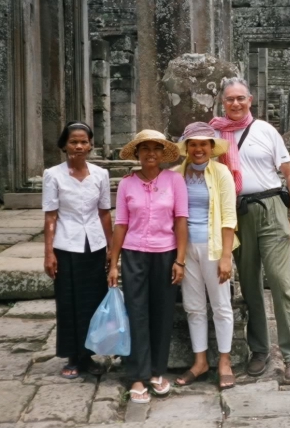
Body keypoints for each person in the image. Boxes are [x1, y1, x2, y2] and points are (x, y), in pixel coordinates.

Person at [210, 78, 290, 384]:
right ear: (222, 103)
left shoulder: (265, 131)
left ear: (250, 100)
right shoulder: (214, 134)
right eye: (229, 100)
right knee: (249, 284)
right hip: (236, 214)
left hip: (270, 209)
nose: (235, 104)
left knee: (280, 283)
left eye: (240, 98)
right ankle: (259, 351)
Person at [108, 130, 188, 404]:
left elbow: (180, 221)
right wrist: (114, 263)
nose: (150, 153)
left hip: (166, 254)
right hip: (133, 255)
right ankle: (138, 376)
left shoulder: (174, 181)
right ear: (137, 153)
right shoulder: (127, 184)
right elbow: (121, 223)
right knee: (137, 313)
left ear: (162, 154)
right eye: (145, 149)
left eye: (156, 148)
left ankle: (156, 371)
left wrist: (180, 259)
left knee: (162, 314)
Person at [42, 121, 112, 379]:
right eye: (74, 142)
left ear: (91, 145)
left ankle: (89, 355)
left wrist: (111, 249)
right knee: (69, 301)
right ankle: (73, 356)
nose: (79, 146)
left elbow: (104, 213)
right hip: (66, 245)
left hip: (94, 245)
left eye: (84, 141)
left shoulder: (101, 175)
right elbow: (50, 217)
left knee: (93, 301)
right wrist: (49, 253)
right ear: (64, 145)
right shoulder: (53, 174)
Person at [172, 122, 239, 390]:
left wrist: (225, 256)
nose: (198, 149)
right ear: (186, 147)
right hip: (186, 250)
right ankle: (200, 361)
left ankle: (224, 360)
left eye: (203, 144)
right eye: (193, 144)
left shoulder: (222, 173)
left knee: (221, 306)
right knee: (194, 306)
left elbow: (229, 216)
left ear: (212, 148)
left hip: (214, 249)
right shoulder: (177, 174)